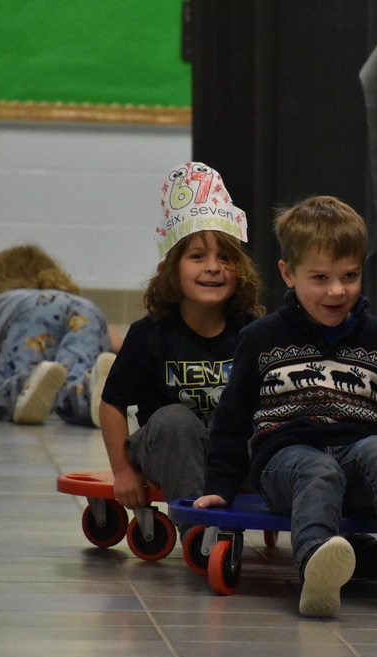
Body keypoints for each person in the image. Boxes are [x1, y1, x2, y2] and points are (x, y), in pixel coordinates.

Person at [193, 196, 377, 619]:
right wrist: (221, 486)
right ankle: (318, 564)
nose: (337, 291)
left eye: (349, 276)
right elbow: (232, 417)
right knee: (319, 468)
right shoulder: (261, 338)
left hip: (359, 459)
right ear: (288, 274)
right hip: (286, 462)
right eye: (320, 278)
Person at [97, 162, 263, 542]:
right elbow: (111, 404)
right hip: (165, 448)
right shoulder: (149, 335)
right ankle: (200, 532)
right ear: (171, 269)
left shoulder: (252, 331)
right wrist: (122, 471)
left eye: (226, 258)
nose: (214, 268)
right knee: (175, 419)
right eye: (198, 257)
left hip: (230, 452)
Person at [0, 245, 123, 426]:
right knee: (78, 374)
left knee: (13, 380)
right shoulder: (72, 299)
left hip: (33, 313)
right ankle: (88, 391)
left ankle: (27, 384)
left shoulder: (1, 301)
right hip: (87, 311)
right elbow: (117, 346)